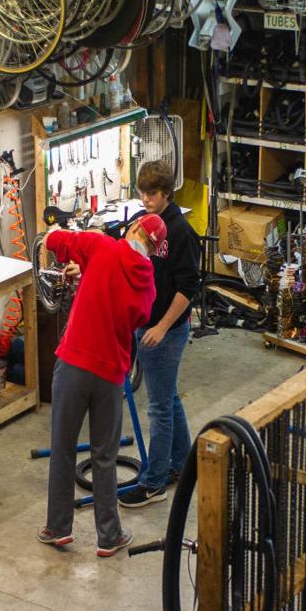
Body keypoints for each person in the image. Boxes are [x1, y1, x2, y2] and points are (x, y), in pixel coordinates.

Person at [37, 215, 165, 557]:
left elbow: (56, 241)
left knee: (63, 447)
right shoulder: (148, 284)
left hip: (74, 364)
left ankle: (58, 528)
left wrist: (57, 235)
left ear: (134, 228)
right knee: (104, 456)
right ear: (154, 250)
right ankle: (109, 536)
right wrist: (91, 273)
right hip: (111, 373)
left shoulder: (101, 246)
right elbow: (139, 316)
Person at [119, 162, 201, 509]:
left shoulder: (181, 233)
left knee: (159, 409)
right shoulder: (145, 223)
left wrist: (161, 327)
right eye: (142, 192)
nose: (145, 199)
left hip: (164, 331)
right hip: (147, 323)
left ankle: (154, 483)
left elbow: (188, 288)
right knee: (169, 399)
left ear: (166, 192)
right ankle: (182, 463)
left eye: (151, 194)